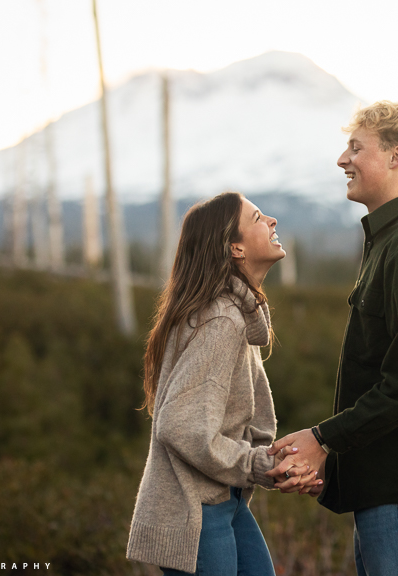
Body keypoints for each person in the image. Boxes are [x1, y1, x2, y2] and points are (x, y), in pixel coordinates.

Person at [267, 101, 398, 575]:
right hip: (385, 489)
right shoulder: (394, 240)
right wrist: (335, 465)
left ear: (397, 156)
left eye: (356, 148)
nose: (343, 159)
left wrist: (323, 438)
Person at [127, 192, 319, 576]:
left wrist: (277, 464)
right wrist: (256, 463)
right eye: (258, 217)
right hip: (194, 509)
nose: (272, 222)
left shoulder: (231, 316)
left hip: (222, 500)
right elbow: (179, 425)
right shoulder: (221, 321)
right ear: (235, 247)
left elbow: (239, 425)